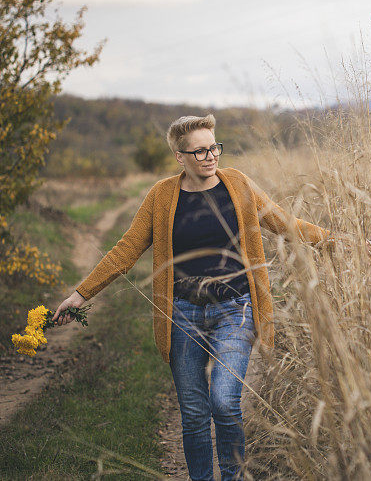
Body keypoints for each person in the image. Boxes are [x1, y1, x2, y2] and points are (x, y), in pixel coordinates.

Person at [52, 114, 333, 481]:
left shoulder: (239, 186)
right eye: (199, 152)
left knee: (224, 403)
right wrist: (80, 294)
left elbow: (285, 224)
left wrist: (334, 240)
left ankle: (232, 475)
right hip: (182, 313)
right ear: (180, 157)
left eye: (213, 147)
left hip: (236, 307)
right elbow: (126, 250)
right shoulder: (161, 196)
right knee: (195, 412)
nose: (210, 157)